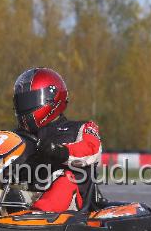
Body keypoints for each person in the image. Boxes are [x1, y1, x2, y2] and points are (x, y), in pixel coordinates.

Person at [11, 67, 102, 212]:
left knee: (65, 178)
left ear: (52, 99)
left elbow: (92, 149)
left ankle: (37, 217)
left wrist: (61, 151)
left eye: (30, 100)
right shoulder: (16, 136)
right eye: (22, 101)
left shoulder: (79, 128)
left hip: (73, 209)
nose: (25, 106)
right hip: (25, 198)